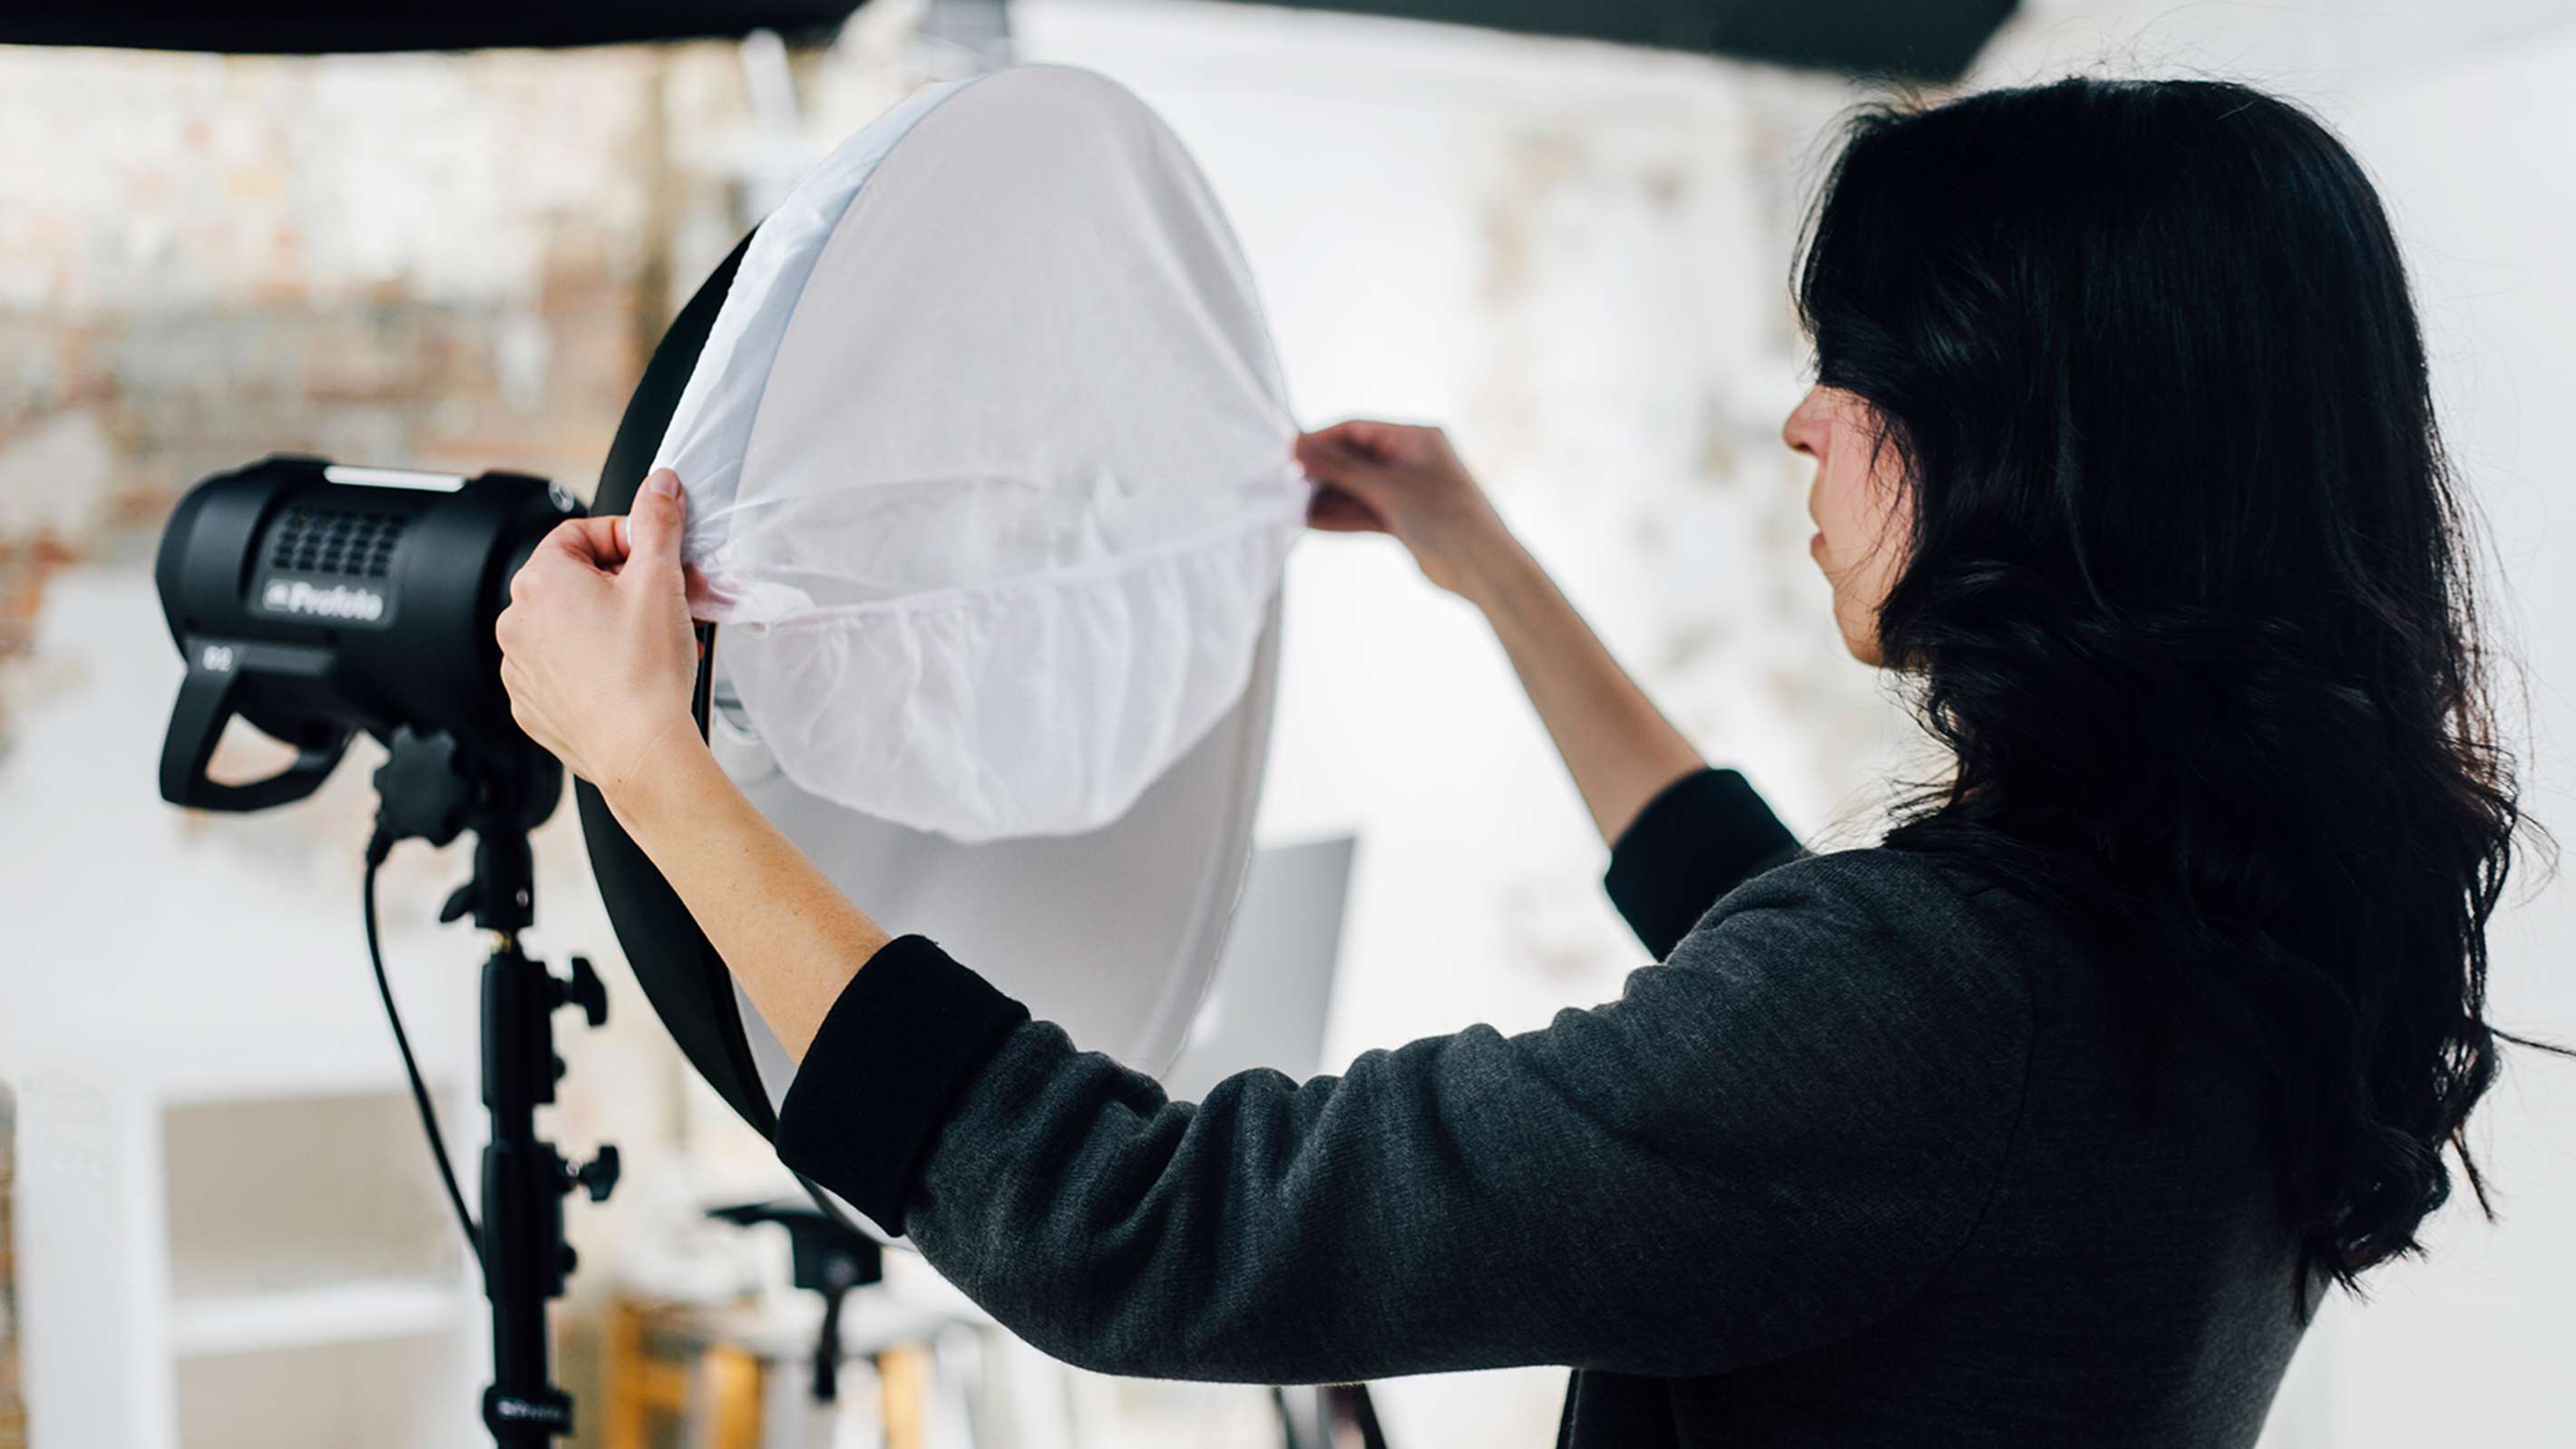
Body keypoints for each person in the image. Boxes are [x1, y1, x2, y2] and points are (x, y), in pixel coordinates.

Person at [496, 76, 2553, 1447]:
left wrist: (657, 767)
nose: (1803, 427)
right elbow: (1805, 976)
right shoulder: (2247, 924)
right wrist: (1492, 573)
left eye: (1859, 374)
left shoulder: (1942, 1008)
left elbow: (1156, 1229)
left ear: (2044, 449)